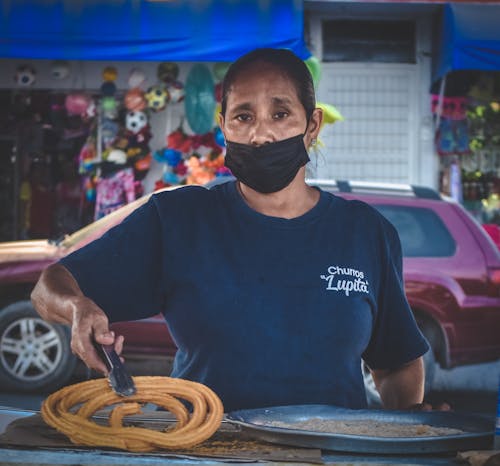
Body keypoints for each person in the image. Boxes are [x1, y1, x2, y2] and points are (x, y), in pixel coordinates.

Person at [32, 48, 432, 413]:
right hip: (203, 451)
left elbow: (397, 363)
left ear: (312, 126)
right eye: (244, 116)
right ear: (224, 127)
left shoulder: (366, 233)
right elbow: (50, 285)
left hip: (332, 455)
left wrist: (407, 425)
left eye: (280, 114)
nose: (261, 134)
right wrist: (78, 308)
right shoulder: (179, 219)